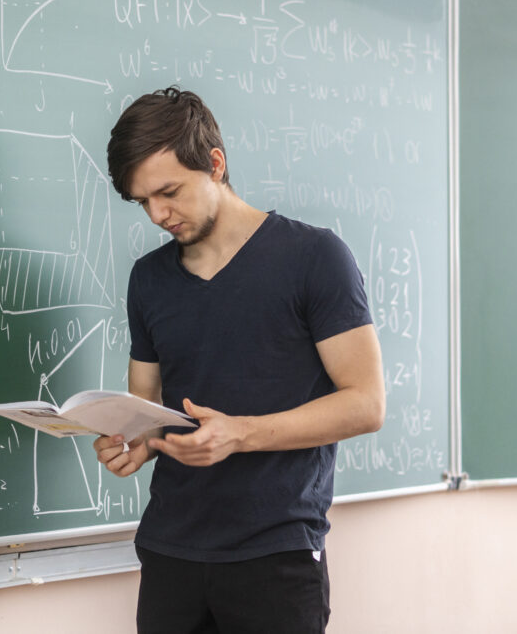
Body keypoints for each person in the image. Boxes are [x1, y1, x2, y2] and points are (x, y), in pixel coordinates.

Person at [94, 87, 385, 634]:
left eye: (169, 192)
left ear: (215, 164)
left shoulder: (315, 257)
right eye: (142, 202)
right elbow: (149, 410)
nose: (158, 214)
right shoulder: (148, 279)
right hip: (170, 552)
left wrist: (239, 434)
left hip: (275, 555)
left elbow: (365, 405)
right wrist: (137, 443)